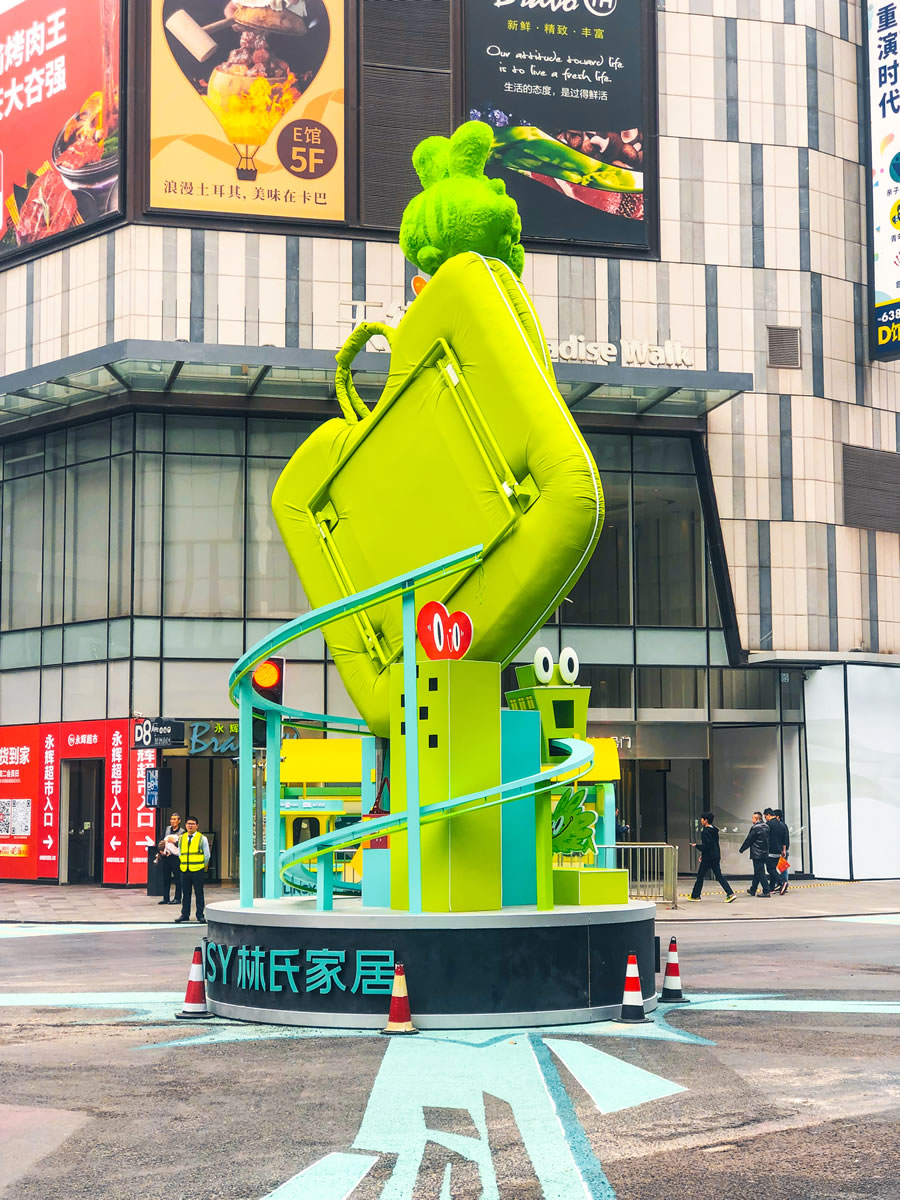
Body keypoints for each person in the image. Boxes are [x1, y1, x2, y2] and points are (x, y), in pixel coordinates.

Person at [687, 812, 736, 902]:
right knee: (719, 875)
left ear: (706, 820)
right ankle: (730, 893)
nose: (701, 821)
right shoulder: (714, 830)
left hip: (708, 858)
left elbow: (706, 846)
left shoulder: (705, 832)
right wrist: (703, 855)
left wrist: (697, 846)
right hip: (715, 856)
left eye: (702, 819)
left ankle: (695, 895)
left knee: (700, 876)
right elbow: (713, 845)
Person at [174, 817, 210, 924]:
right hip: (185, 869)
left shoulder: (202, 838)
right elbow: (180, 852)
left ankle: (200, 915)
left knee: (199, 893)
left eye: (193, 824)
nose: (190, 826)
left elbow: (207, 855)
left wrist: (201, 866)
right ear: (185, 825)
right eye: (188, 823)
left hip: (197, 869)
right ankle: (185, 914)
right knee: (185, 894)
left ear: (197, 826)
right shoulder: (182, 838)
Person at [740, 811, 771, 896]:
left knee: (760, 872)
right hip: (765, 852)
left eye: (753, 818)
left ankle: (766, 890)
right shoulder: (767, 827)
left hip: (757, 853)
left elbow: (749, 840)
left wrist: (742, 849)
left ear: (757, 819)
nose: (752, 820)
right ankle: (753, 889)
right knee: (758, 871)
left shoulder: (755, 828)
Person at [156, 812, 183, 906]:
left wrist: (174, 842)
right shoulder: (166, 829)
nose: (172, 821)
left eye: (175, 819)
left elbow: (182, 845)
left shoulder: (182, 832)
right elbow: (160, 841)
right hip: (166, 857)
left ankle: (177, 898)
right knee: (166, 878)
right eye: (171, 819)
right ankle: (165, 898)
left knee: (177, 879)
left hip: (176, 858)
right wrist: (160, 851)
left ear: (179, 821)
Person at [764, 808, 789, 896]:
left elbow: (765, 838)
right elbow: (785, 839)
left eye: (765, 817)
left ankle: (781, 882)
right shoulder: (782, 825)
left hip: (770, 850)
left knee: (770, 869)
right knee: (773, 869)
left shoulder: (768, 825)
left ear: (768, 815)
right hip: (779, 851)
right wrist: (784, 850)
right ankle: (771, 888)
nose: (765, 819)